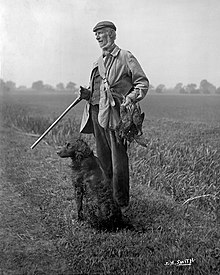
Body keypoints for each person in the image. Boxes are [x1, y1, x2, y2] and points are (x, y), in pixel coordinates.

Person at [79, 21, 149, 213]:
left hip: (117, 114)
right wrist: (87, 93)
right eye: (96, 36)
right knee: (103, 158)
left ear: (111, 34)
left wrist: (131, 97)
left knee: (118, 158)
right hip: (97, 112)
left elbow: (142, 83)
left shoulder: (126, 56)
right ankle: (107, 198)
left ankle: (121, 202)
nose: (98, 38)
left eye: (100, 34)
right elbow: (98, 87)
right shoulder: (98, 61)